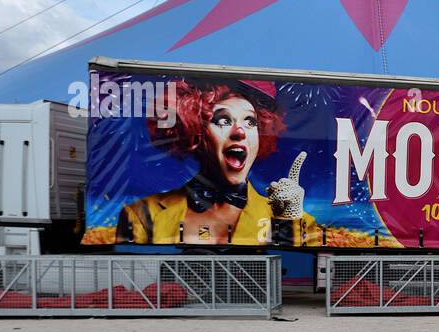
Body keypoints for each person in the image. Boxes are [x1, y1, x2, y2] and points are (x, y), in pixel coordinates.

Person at [116, 78, 319, 246]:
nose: (239, 132)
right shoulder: (142, 214)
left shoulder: (292, 218)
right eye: (223, 120)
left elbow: (285, 269)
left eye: (250, 122)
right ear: (195, 131)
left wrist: (287, 219)